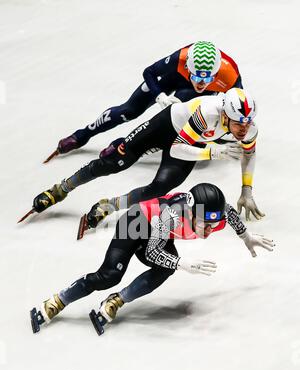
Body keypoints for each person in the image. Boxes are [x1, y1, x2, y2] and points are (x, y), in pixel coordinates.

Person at [30, 183, 274, 335]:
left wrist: (246, 237)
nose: (210, 230)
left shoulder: (214, 215)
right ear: (189, 212)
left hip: (159, 235)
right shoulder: (172, 216)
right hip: (136, 223)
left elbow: (230, 213)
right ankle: (56, 302)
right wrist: (182, 264)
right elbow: (151, 253)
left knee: (165, 269)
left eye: (213, 224)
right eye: (203, 225)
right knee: (110, 275)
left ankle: (117, 301)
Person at [28, 88, 263, 223]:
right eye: (238, 123)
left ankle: (109, 206)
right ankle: (61, 189)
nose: (243, 129)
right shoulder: (208, 112)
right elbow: (175, 148)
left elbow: (249, 154)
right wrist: (213, 151)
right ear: (225, 116)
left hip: (190, 140)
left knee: (159, 189)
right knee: (114, 163)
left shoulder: (248, 127)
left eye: (246, 122)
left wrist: (246, 190)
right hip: (166, 126)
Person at [52, 41, 242, 156]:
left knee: (179, 125)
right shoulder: (180, 58)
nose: (201, 83)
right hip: (172, 78)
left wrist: (225, 131)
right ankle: (81, 135)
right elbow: (149, 72)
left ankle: (124, 144)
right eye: (196, 76)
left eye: (207, 78)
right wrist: (159, 95)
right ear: (188, 67)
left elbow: (238, 108)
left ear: (216, 73)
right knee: (129, 111)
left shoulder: (230, 74)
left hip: (194, 97)